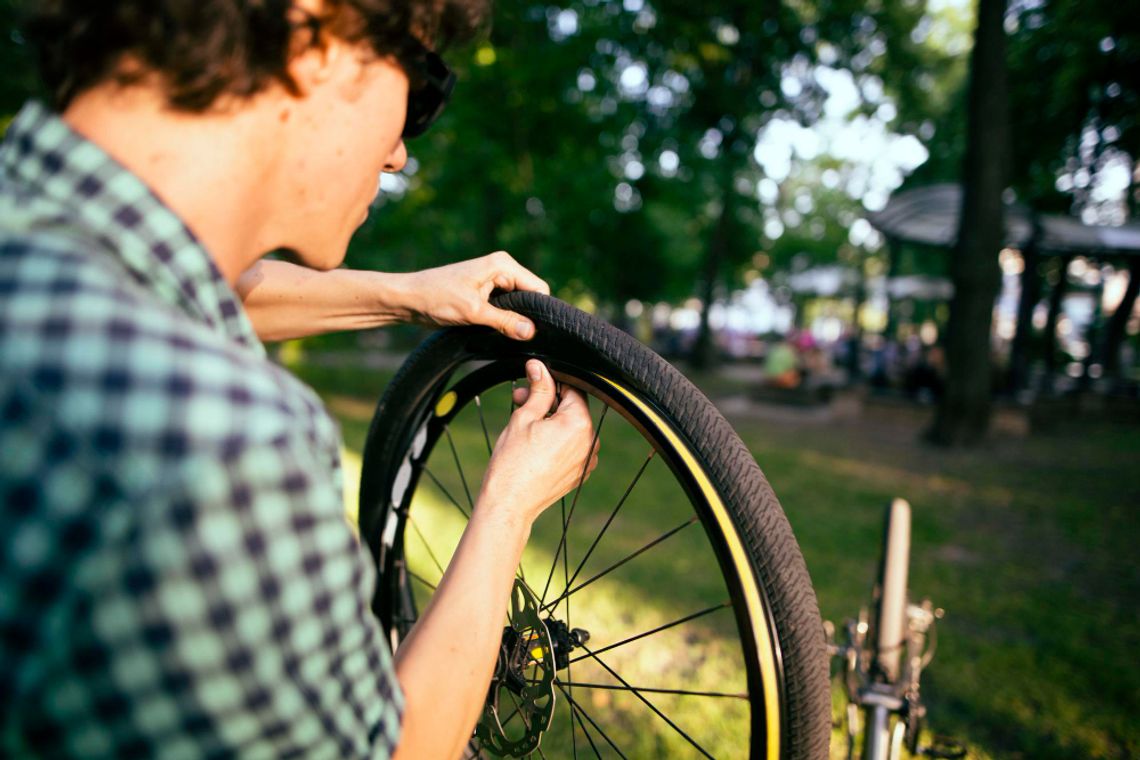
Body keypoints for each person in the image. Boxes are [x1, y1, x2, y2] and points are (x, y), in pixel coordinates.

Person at [0, 1, 598, 758]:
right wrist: (510, 504)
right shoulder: (223, 452)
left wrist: (402, 292)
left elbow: (169, 284)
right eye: (422, 85)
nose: (398, 158)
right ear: (316, 31)